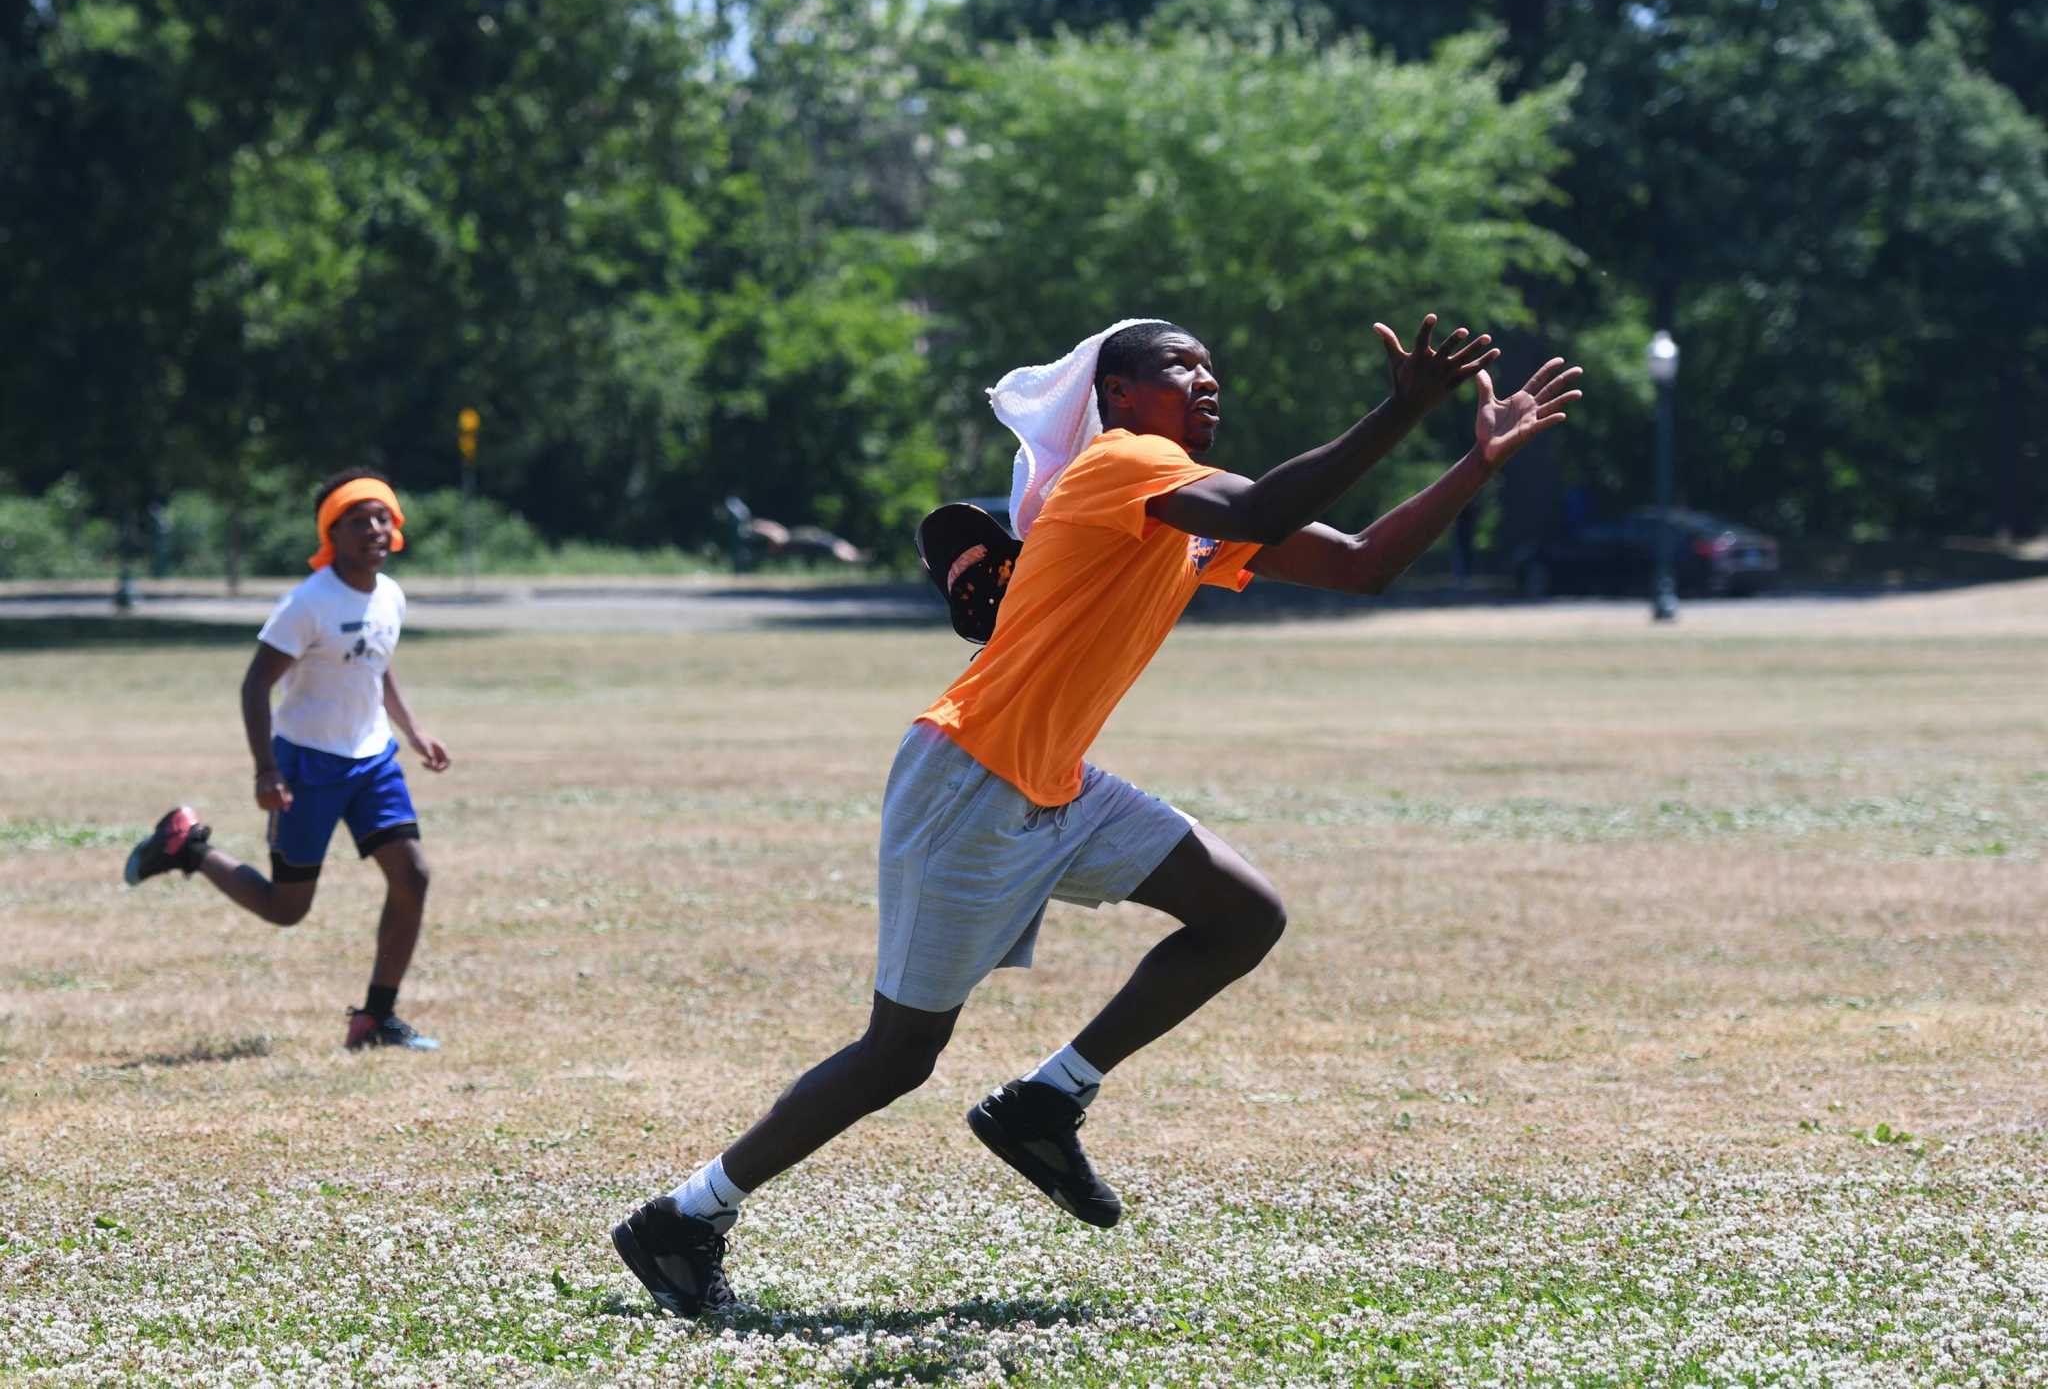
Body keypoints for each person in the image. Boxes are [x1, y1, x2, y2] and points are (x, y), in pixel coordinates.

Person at [611, 315, 1583, 1318]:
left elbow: (1363, 563)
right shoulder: (1124, 464)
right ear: (1116, 396)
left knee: (1241, 914)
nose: (1206, 381)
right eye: (1179, 367)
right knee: (896, 1055)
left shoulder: (1186, 514)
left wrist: (1474, 462)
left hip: (1054, 783)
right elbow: (1260, 505)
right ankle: (683, 1216)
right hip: (970, 777)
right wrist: (1397, 408)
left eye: (1213, 366)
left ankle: (1045, 1098)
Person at [123, 468, 450, 1052]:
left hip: (372, 760)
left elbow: (376, 664)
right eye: (357, 521)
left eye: (382, 517)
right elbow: (255, 686)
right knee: (286, 908)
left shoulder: (391, 595)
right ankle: (188, 848)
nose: (373, 529)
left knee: (413, 875)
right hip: (307, 765)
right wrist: (266, 770)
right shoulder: (308, 603)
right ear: (332, 533)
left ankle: (376, 1019)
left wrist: (416, 732)